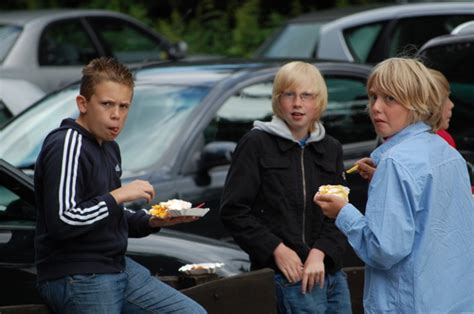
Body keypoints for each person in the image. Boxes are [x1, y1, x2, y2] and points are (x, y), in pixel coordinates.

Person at [34, 57, 206, 314]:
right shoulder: (67, 143)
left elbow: (105, 215)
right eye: (107, 104)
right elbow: (65, 220)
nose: (116, 115)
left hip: (118, 267)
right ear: (82, 103)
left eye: (124, 106)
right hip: (79, 274)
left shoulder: (109, 148)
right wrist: (117, 196)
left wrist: (151, 221)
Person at [314, 57, 474, 313]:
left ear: (416, 103)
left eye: (390, 98)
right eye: (373, 97)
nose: (376, 107)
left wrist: (343, 212)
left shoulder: (396, 163)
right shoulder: (447, 152)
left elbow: (383, 250)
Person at [220, 61, 352, 313]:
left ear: (320, 100)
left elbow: (340, 211)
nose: (297, 103)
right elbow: (233, 211)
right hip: (286, 275)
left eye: (306, 95)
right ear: (277, 99)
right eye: (289, 94)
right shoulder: (256, 143)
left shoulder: (331, 147)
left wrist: (320, 252)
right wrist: (276, 249)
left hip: (329, 272)